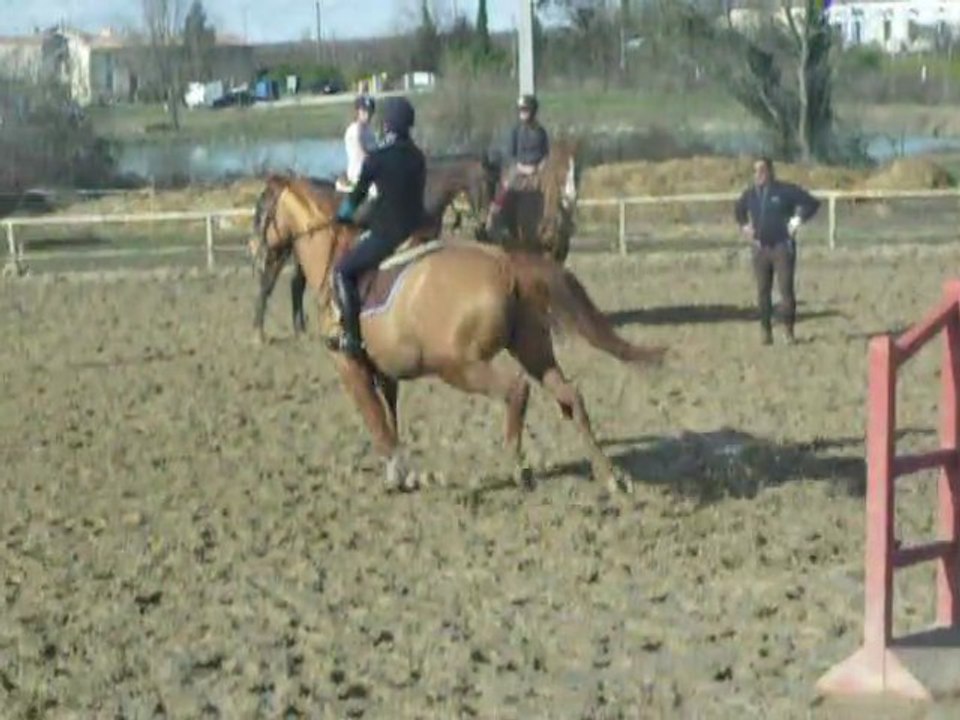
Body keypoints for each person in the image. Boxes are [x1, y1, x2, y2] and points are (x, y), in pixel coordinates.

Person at [332, 96, 427, 357]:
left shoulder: (377, 159)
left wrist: (343, 215)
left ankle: (353, 338)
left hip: (388, 235)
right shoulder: (418, 157)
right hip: (417, 230)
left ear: (387, 125)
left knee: (342, 271)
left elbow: (357, 196)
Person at [734, 156, 821, 345]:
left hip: (782, 247)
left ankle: (788, 331)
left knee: (786, 290)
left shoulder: (784, 190)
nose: (758, 174)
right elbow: (738, 210)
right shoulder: (751, 194)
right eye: (755, 171)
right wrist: (745, 226)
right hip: (760, 248)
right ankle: (766, 331)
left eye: (762, 170)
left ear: (771, 171)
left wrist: (797, 221)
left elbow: (812, 203)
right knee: (763, 291)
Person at [484, 94, 550, 236]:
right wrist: (521, 168)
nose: (522, 113)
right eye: (521, 110)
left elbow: (545, 154)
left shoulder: (541, 132)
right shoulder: (516, 131)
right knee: (507, 187)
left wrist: (540, 167)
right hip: (519, 168)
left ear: (533, 111)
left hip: (537, 170)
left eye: (525, 110)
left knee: (552, 190)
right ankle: (495, 217)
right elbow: (511, 155)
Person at [342, 95, 377, 189]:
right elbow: (363, 153)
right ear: (358, 112)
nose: (368, 114)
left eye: (370, 111)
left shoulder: (369, 130)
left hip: (369, 174)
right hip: (358, 176)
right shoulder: (354, 130)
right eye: (364, 111)